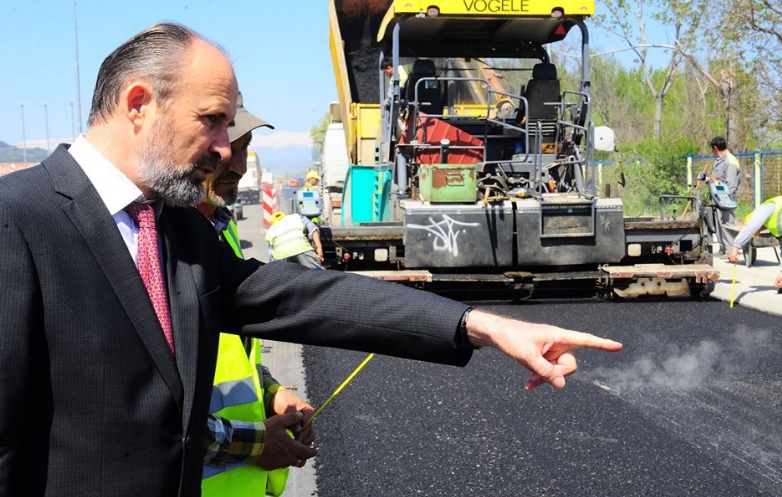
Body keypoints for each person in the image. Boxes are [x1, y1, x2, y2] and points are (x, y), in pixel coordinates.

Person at [0, 22, 622, 496]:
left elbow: (301, 297)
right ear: (138, 104)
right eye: (212, 121)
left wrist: (480, 325)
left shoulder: (173, 232)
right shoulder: (17, 219)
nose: (225, 148)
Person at [194, 93, 315, 496]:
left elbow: (228, 354)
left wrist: (270, 391)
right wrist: (256, 443)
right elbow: (146, 415)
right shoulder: (154, 245)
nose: (240, 166)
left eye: (245, 148)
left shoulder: (222, 230)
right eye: (229, 149)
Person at [726, 195, 782, 292]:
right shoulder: (774, 221)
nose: (758, 233)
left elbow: (750, 227)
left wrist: (735, 247)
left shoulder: (766, 209)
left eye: (757, 231)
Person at [703, 136, 741, 254]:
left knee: (727, 223)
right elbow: (719, 179)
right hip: (718, 197)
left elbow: (731, 184)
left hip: (725, 198)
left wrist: (725, 200)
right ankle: (723, 247)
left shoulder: (730, 161)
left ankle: (731, 250)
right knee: (719, 223)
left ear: (715, 148)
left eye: (712, 149)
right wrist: (708, 179)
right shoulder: (720, 160)